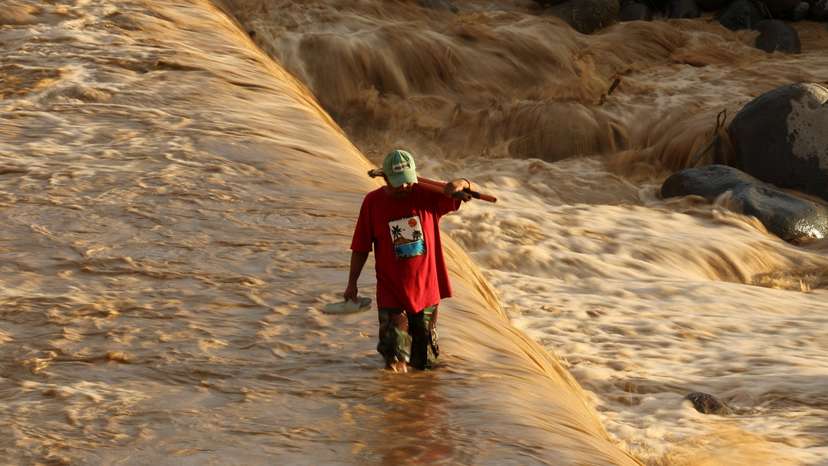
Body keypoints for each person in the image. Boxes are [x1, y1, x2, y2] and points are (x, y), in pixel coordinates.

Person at [344, 149, 475, 373]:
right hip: (391, 292)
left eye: (406, 182)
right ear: (385, 179)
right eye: (397, 183)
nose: (403, 187)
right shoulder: (373, 203)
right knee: (394, 359)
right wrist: (352, 283)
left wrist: (462, 183)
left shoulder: (429, 196)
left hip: (426, 292)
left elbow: (462, 190)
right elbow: (360, 247)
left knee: (424, 364)